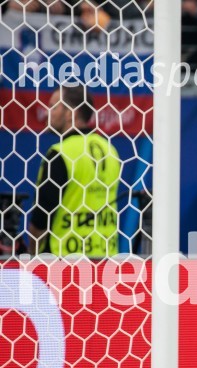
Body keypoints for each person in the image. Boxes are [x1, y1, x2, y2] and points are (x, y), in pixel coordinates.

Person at [29, 84, 121, 257]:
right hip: (106, 257)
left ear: (71, 113)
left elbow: (41, 217)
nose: (49, 113)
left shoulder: (60, 153)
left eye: (54, 106)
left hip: (64, 261)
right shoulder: (110, 150)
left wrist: (32, 254)